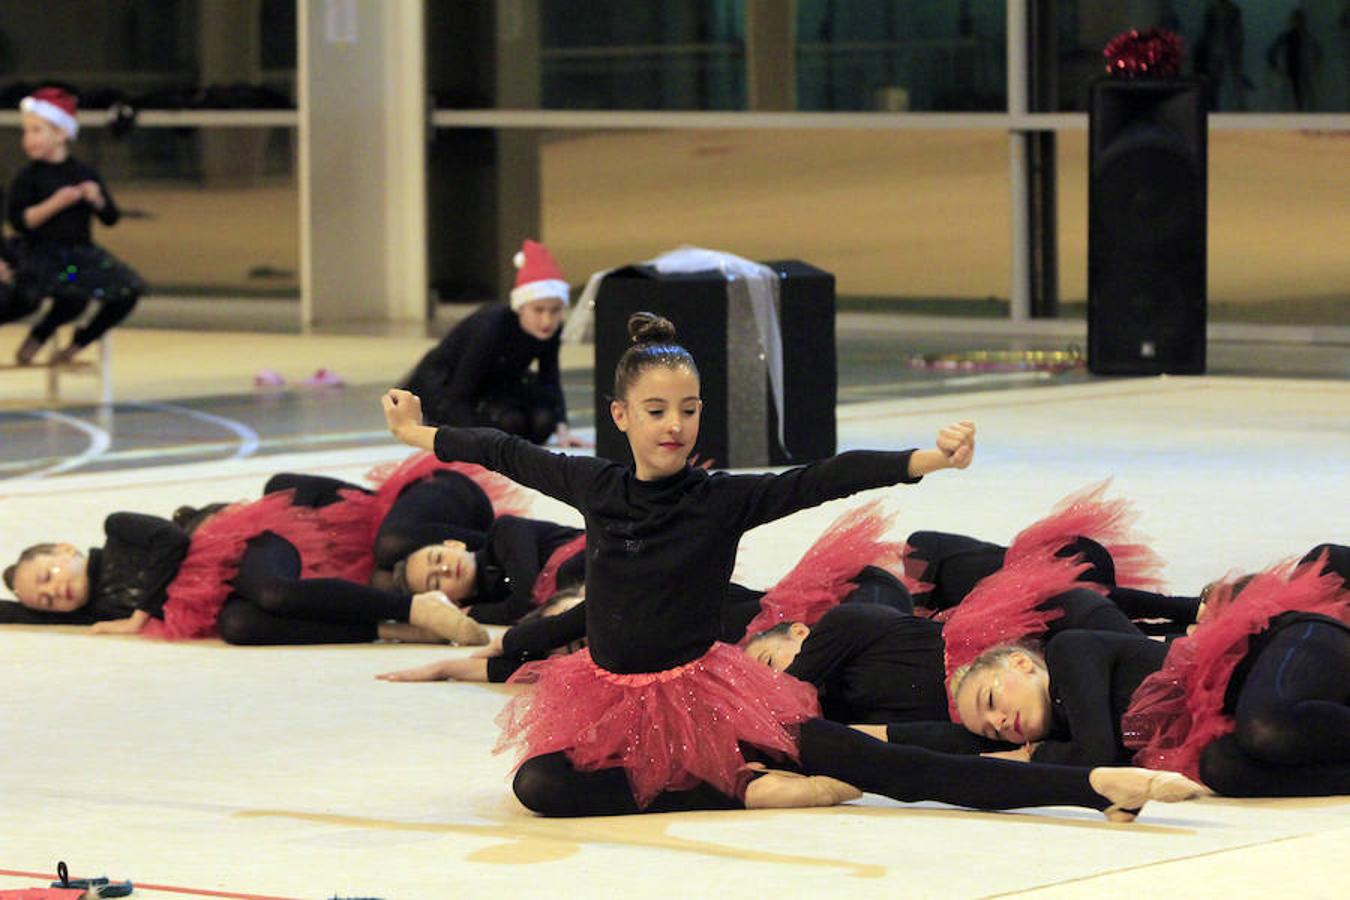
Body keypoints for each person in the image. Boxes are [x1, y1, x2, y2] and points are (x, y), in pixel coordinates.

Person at [381, 311, 1204, 820]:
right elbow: (505, 451)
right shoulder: (593, 485)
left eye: (689, 410)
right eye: (657, 411)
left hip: (707, 696)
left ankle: (1093, 787)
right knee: (541, 789)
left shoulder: (719, 499)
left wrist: (926, 459)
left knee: (887, 768)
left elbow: (821, 478)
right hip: (612, 699)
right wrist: (423, 435)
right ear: (622, 414)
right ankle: (742, 788)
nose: (674, 426)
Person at [939, 549, 1348, 797]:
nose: (999, 722)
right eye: (991, 731)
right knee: (1222, 769)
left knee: (1264, 726)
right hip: (1279, 705)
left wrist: (1027, 757)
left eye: (990, 701)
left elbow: (1097, 752)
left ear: (1021, 662)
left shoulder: (1070, 651)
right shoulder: (1071, 730)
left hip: (1287, 645)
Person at [0, 487, 487, 647]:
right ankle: (385, 627)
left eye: (47, 576)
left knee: (275, 592)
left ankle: (415, 607)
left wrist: (140, 612)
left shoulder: (116, 529)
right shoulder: (96, 609)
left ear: (65, 550)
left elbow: (171, 541)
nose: (54, 592)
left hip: (235, 545)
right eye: (45, 597)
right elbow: (19, 615)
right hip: (220, 598)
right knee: (240, 626)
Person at [401, 239, 586, 447]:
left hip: (498, 380)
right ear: (521, 307)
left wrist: (562, 428)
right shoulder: (492, 326)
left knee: (543, 421)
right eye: (539, 310)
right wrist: (477, 443)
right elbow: (460, 391)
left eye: (555, 311)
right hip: (449, 385)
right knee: (509, 425)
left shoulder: (553, 328)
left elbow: (549, 376)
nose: (547, 320)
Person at [7, 86, 145, 365]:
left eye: (37, 131)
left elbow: (110, 218)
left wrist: (96, 200)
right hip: (41, 254)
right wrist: (55, 203)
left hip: (78, 254)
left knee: (126, 290)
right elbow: (20, 221)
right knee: (61, 295)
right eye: (27, 131)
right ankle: (39, 335)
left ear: (61, 134)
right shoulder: (27, 177)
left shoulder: (83, 172)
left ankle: (78, 343)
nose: (29, 138)